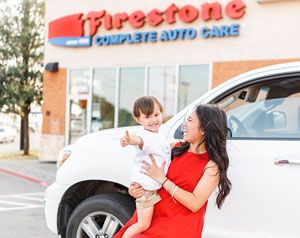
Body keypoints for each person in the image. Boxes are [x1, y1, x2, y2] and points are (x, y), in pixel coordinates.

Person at [114, 104, 232, 238]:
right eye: (186, 119)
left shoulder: (212, 165)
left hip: (177, 226)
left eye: (190, 120)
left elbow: (195, 203)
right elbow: (145, 159)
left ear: (204, 128)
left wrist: (162, 180)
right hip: (150, 218)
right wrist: (135, 189)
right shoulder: (174, 148)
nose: (184, 125)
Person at [119, 96, 171, 238]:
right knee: (143, 224)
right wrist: (130, 140)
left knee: (146, 223)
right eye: (147, 117)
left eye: (156, 115)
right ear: (138, 119)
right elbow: (140, 141)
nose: (154, 120)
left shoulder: (158, 136)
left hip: (150, 187)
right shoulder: (144, 135)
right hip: (145, 190)